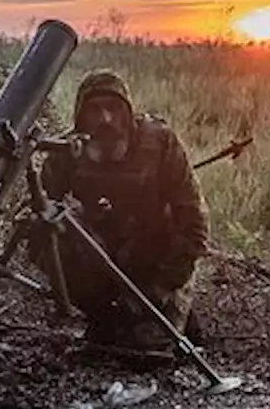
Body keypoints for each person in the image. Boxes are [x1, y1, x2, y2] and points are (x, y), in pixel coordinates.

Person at [32, 69, 209, 359]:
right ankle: (103, 313)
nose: (106, 120)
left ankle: (167, 313)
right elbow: (39, 209)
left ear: (128, 112)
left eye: (113, 108)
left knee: (147, 356)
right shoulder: (68, 151)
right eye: (95, 110)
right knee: (49, 231)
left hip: (157, 261)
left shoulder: (161, 143)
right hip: (105, 255)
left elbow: (194, 223)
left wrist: (166, 285)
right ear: (81, 116)